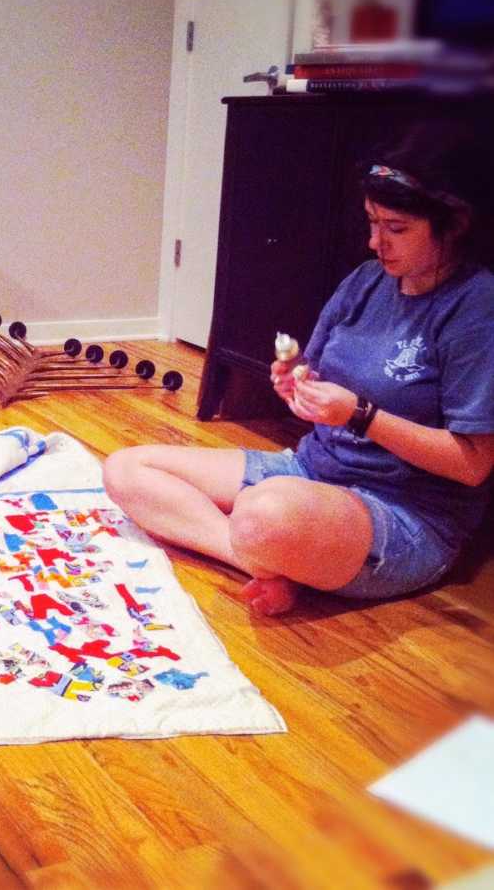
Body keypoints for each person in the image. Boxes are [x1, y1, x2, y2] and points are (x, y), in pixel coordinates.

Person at [103, 123, 494, 615]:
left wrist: (361, 414)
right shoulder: (368, 280)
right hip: (311, 472)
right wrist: (297, 380)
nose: (376, 243)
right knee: (126, 469)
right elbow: (317, 369)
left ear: (452, 224)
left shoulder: (476, 307)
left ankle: (274, 549)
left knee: (264, 511)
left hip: (405, 512)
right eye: (371, 222)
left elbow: (473, 464)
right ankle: (261, 565)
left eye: (396, 229)